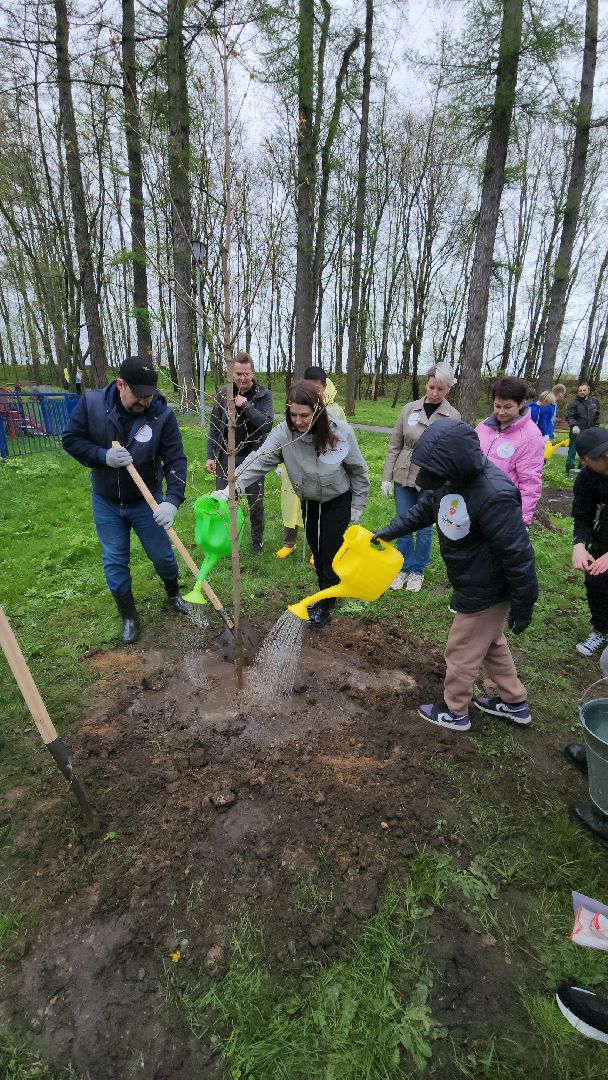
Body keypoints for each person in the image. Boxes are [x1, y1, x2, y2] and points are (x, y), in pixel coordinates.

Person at [373, 419, 538, 732]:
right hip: (472, 579)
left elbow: (518, 554)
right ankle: (515, 703)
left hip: (487, 588)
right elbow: (425, 511)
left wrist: (524, 603)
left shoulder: (494, 496)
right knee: (490, 643)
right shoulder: (453, 481)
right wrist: (388, 532)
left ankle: (454, 711)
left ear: (455, 463)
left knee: (461, 650)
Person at [213, 380, 369, 628]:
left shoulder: (339, 434)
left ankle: (326, 604)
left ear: (317, 410)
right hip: (309, 500)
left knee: (331, 552)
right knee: (317, 551)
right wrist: (231, 489)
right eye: (293, 414)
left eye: (304, 415)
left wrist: (358, 504)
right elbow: (260, 459)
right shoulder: (283, 434)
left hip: (338, 499)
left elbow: (358, 470)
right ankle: (326, 593)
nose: (298, 420)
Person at [62, 355, 189, 643]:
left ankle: (173, 593)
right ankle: (129, 617)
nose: (145, 402)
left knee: (163, 556)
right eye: (139, 395)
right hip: (107, 501)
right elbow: (70, 439)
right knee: (115, 560)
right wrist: (101, 456)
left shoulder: (161, 415)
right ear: (121, 384)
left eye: (150, 395)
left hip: (146, 500)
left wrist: (172, 500)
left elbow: (176, 460)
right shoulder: (92, 404)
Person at [381, 363, 460, 593]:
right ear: (426, 383)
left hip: (431, 479)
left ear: (448, 390)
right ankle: (403, 567)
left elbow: (453, 451)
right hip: (404, 475)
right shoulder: (409, 409)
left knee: (424, 527)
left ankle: (417, 571)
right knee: (403, 522)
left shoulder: (452, 416)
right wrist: (387, 477)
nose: (435, 393)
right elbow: (394, 445)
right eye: (432, 387)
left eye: (441, 389)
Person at [276, 366, 346, 559]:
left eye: (318, 388)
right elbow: (285, 439)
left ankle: (317, 546)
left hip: (321, 470)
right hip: (296, 467)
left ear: (324, 386)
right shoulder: (297, 407)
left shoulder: (334, 410)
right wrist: (282, 465)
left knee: (317, 511)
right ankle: (289, 542)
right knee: (291, 504)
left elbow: (344, 444)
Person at [206, 352, 273, 552]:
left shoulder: (263, 395)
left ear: (252, 372)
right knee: (223, 500)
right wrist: (210, 455)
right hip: (226, 456)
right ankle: (224, 541)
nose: (242, 378)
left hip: (252, 456)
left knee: (255, 502)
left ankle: (256, 542)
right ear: (232, 373)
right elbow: (214, 427)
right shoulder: (223, 393)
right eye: (238, 373)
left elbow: (266, 424)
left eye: (246, 373)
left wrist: (245, 405)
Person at [475, 376, 545, 528]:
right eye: (497, 406)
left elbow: (530, 483)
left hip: (503, 510)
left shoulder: (531, 437)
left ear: (521, 404)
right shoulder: (483, 427)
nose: (500, 412)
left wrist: (522, 520)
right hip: (475, 504)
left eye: (507, 407)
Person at [569, 428, 608, 659]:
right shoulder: (586, 478)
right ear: (584, 460)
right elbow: (582, 516)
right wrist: (580, 544)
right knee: (596, 576)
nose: (605, 459)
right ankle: (602, 629)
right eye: (598, 456)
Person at [566, 383, 600, 475]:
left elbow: (597, 416)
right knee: (572, 451)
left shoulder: (594, 402)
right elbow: (569, 416)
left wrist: (596, 427)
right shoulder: (574, 403)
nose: (582, 392)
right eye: (580, 390)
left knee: (586, 452)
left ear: (588, 391)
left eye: (584, 390)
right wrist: (574, 425)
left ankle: (582, 470)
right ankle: (569, 470)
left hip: (589, 432)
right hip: (576, 432)